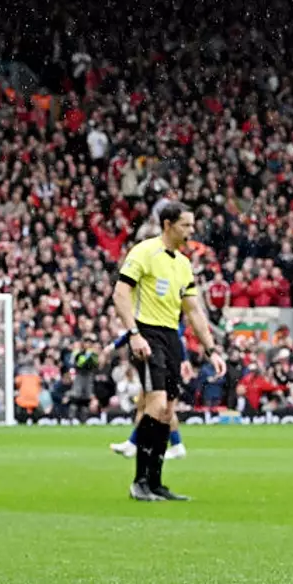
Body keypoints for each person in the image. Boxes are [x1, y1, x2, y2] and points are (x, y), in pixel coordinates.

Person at [112, 203, 226, 502]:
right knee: (156, 403)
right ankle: (139, 482)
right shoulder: (144, 252)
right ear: (167, 224)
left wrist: (212, 350)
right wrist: (133, 333)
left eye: (192, 225)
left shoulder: (184, 264)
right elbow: (120, 293)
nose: (191, 231)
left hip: (171, 336)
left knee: (167, 411)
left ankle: (156, 483)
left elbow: (194, 311)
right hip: (147, 332)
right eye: (185, 225)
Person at [109, 326, 188, 459]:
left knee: (154, 406)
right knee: (153, 406)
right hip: (165, 361)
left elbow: (136, 329)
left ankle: (135, 444)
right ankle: (176, 445)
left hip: (163, 362)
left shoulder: (160, 319)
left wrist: (115, 344)